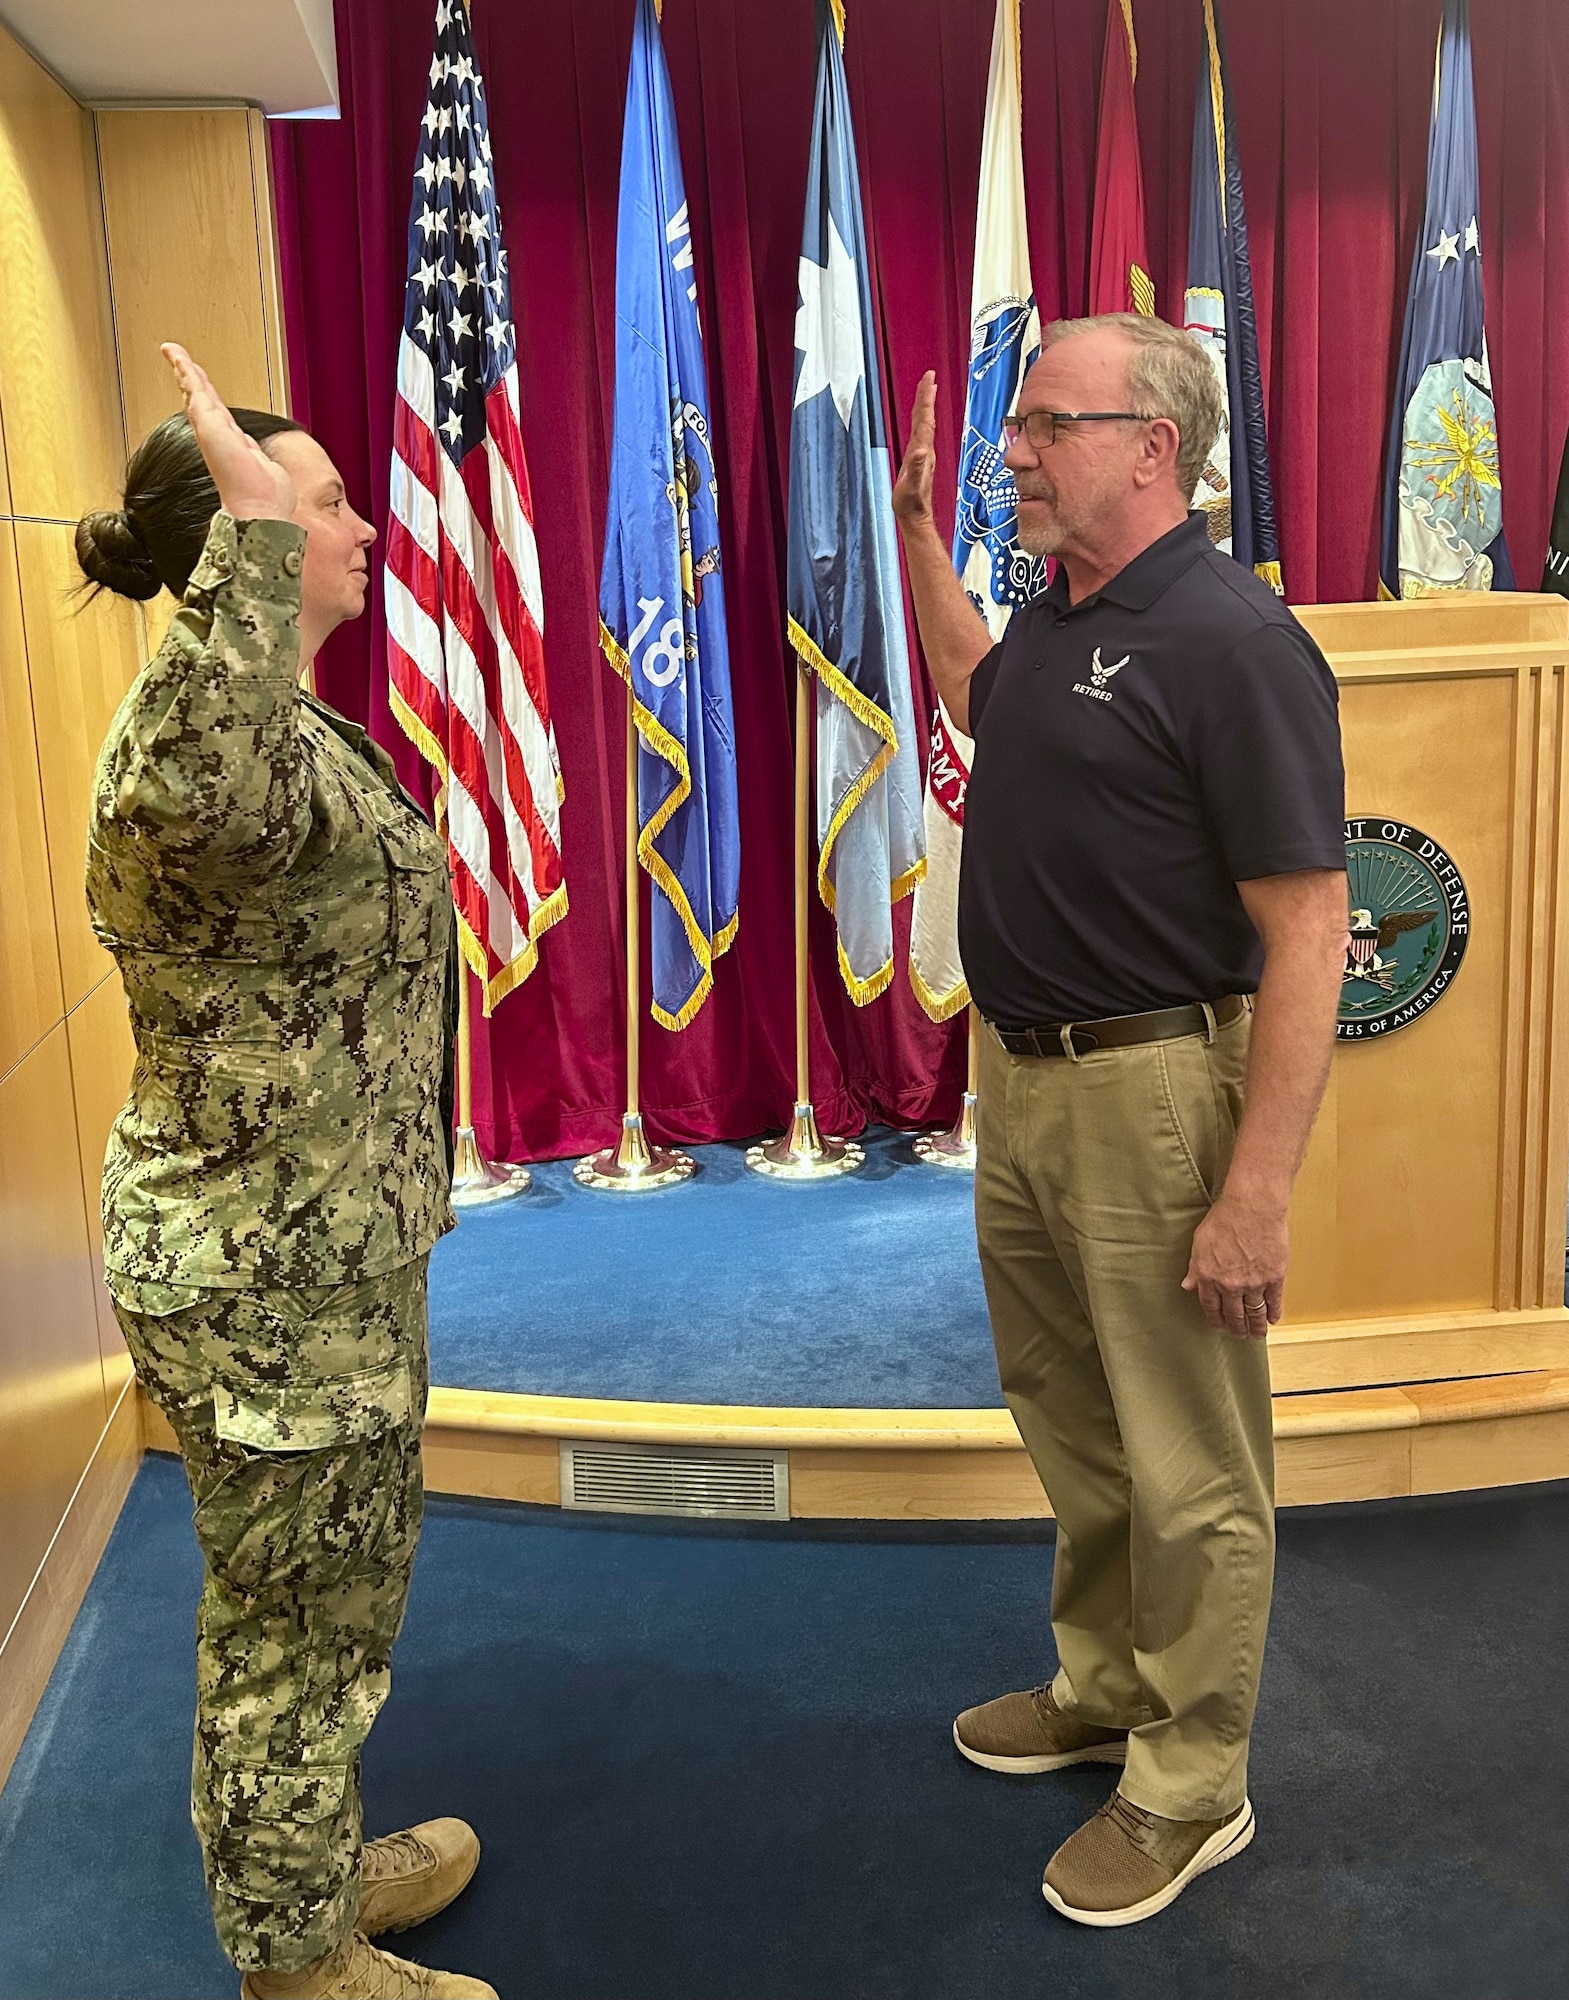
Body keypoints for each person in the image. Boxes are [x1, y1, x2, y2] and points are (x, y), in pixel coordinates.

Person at [891, 314, 1348, 1927]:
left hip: (1155, 1089)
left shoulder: (1231, 640)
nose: (1010, 450)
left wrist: (1254, 1194)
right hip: (1018, 1084)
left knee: (1189, 1457)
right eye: (1014, 425)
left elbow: (1308, 930)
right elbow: (975, 693)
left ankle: (1191, 1779)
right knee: (1069, 1417)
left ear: (1152, 447)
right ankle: (1104, 1687)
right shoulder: (1066, 610)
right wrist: (908, 540)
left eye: (1042, 424)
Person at [77, 346, 493, 2000]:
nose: (362, 528)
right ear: (235, 550)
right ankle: (296, 1959)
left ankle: (307, 1871)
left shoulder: (277, 722)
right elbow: (200, 780)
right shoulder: (193, 747)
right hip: (264, 1278)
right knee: (294, 1625)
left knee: (330, 1592)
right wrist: (246, 537)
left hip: (314, 1254)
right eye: (321, 506)